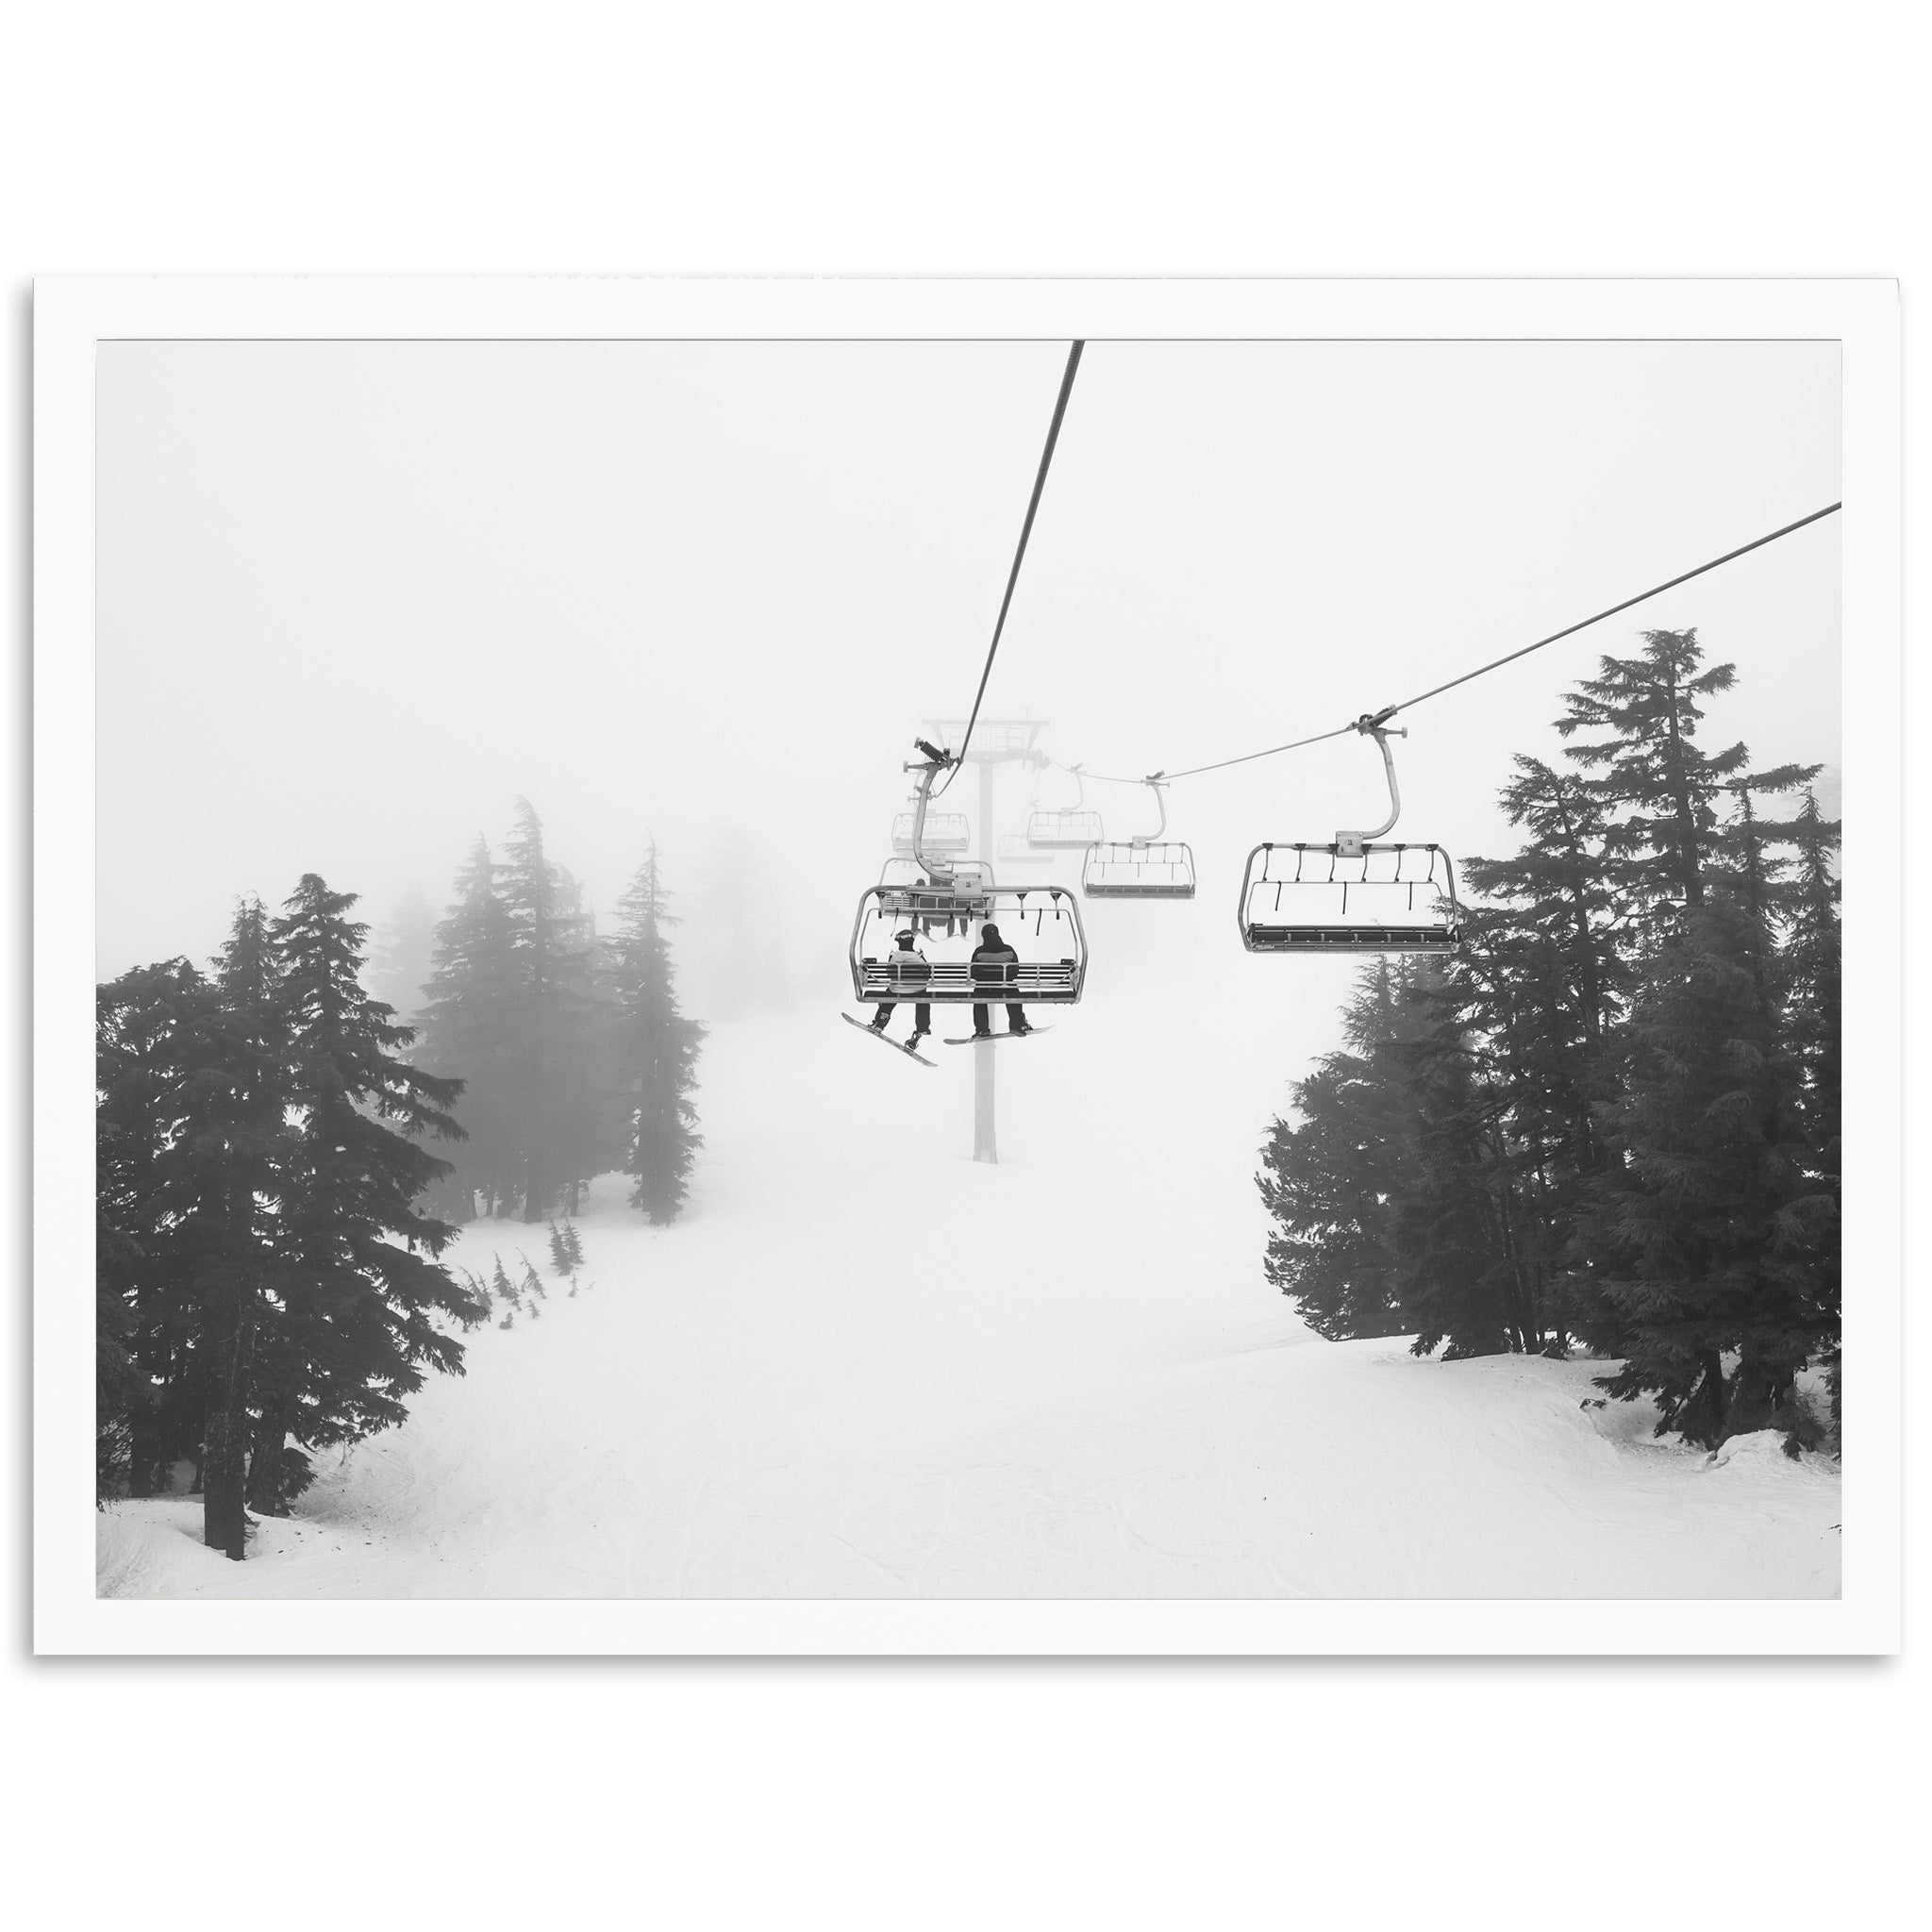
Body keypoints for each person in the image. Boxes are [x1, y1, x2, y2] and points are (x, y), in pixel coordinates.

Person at [870, 930, 931, 1048]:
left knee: (889, 994)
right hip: (917, 991)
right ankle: (921, 1028)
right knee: (923, 1000)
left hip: (897, 990)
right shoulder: (918, 957)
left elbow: (889, 973)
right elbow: (927, 974)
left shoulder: (895, 957)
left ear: (899, 942)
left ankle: (880, 1021)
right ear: (912, 942)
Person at [970, 921, 1032, 1038]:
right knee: (1014, 994)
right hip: (1006, 988)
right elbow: (1015, 970)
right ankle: (1017, 1024)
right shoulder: (1009, 950)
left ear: (983, 936)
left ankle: (982, 1028)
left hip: (985, 989)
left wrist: (984, 978)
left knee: (978, 997)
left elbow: (973, 972)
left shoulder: (979, 952)